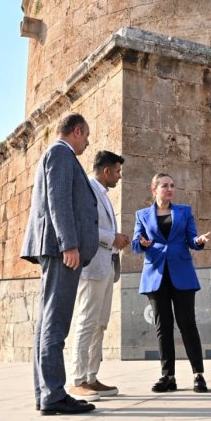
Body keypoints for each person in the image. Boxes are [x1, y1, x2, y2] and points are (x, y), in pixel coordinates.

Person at [20, 113, 99, 416]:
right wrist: (70, 244)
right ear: (77, 131)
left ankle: (46, 393)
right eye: (87, 135)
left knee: (46, 323)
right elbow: (59, 200)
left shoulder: (56, 155)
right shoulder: (60, 154)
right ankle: (53, 393)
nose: (88, 142)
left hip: (54, 248)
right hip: (60, 249)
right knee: (55, 322)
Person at [132, 173, 210, 393]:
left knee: (187, 324)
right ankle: (168, 376)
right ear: (153, 189)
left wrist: (199, 241)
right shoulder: (142, 215)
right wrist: (142, 242)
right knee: (162, 327)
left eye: (172, 186)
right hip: (156, 275)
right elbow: (135, 244)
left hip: (182, 273)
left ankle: (198, 375)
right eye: (164, 185)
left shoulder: (184, 211)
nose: (169, 189)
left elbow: (191, 239)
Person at [68, 150, 130, 402]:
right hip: (92, 266)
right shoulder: (89, 189)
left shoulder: (101, 193)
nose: (119, 176)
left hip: (105, 266)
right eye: (117, 171)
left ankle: (91, 376)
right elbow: (86, 226)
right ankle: (77, 379)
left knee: (100, 323)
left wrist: (116, 240)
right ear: (106, 171)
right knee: (86, 321)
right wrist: (111, 238)